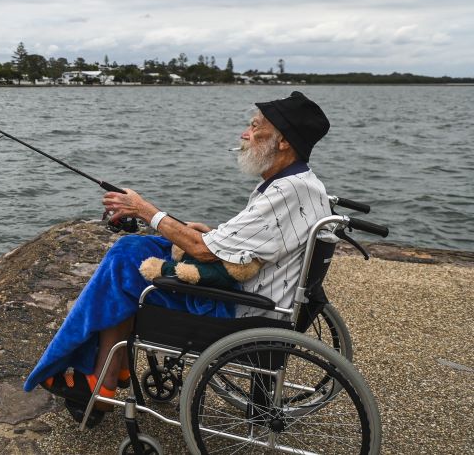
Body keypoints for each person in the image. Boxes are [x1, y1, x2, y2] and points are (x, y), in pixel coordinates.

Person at [24, 91, 332, 421]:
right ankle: (110, 372)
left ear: (283, 141)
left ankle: (101, 379)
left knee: (127, 260)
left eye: (255, 126)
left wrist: (142, 209)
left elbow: (203, 250)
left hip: (241, 310)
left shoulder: (285, 191)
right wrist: (209, 233)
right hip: (253, 291)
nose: (244, 133)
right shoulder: (300, 185)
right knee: (143, 250)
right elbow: (256, 241)